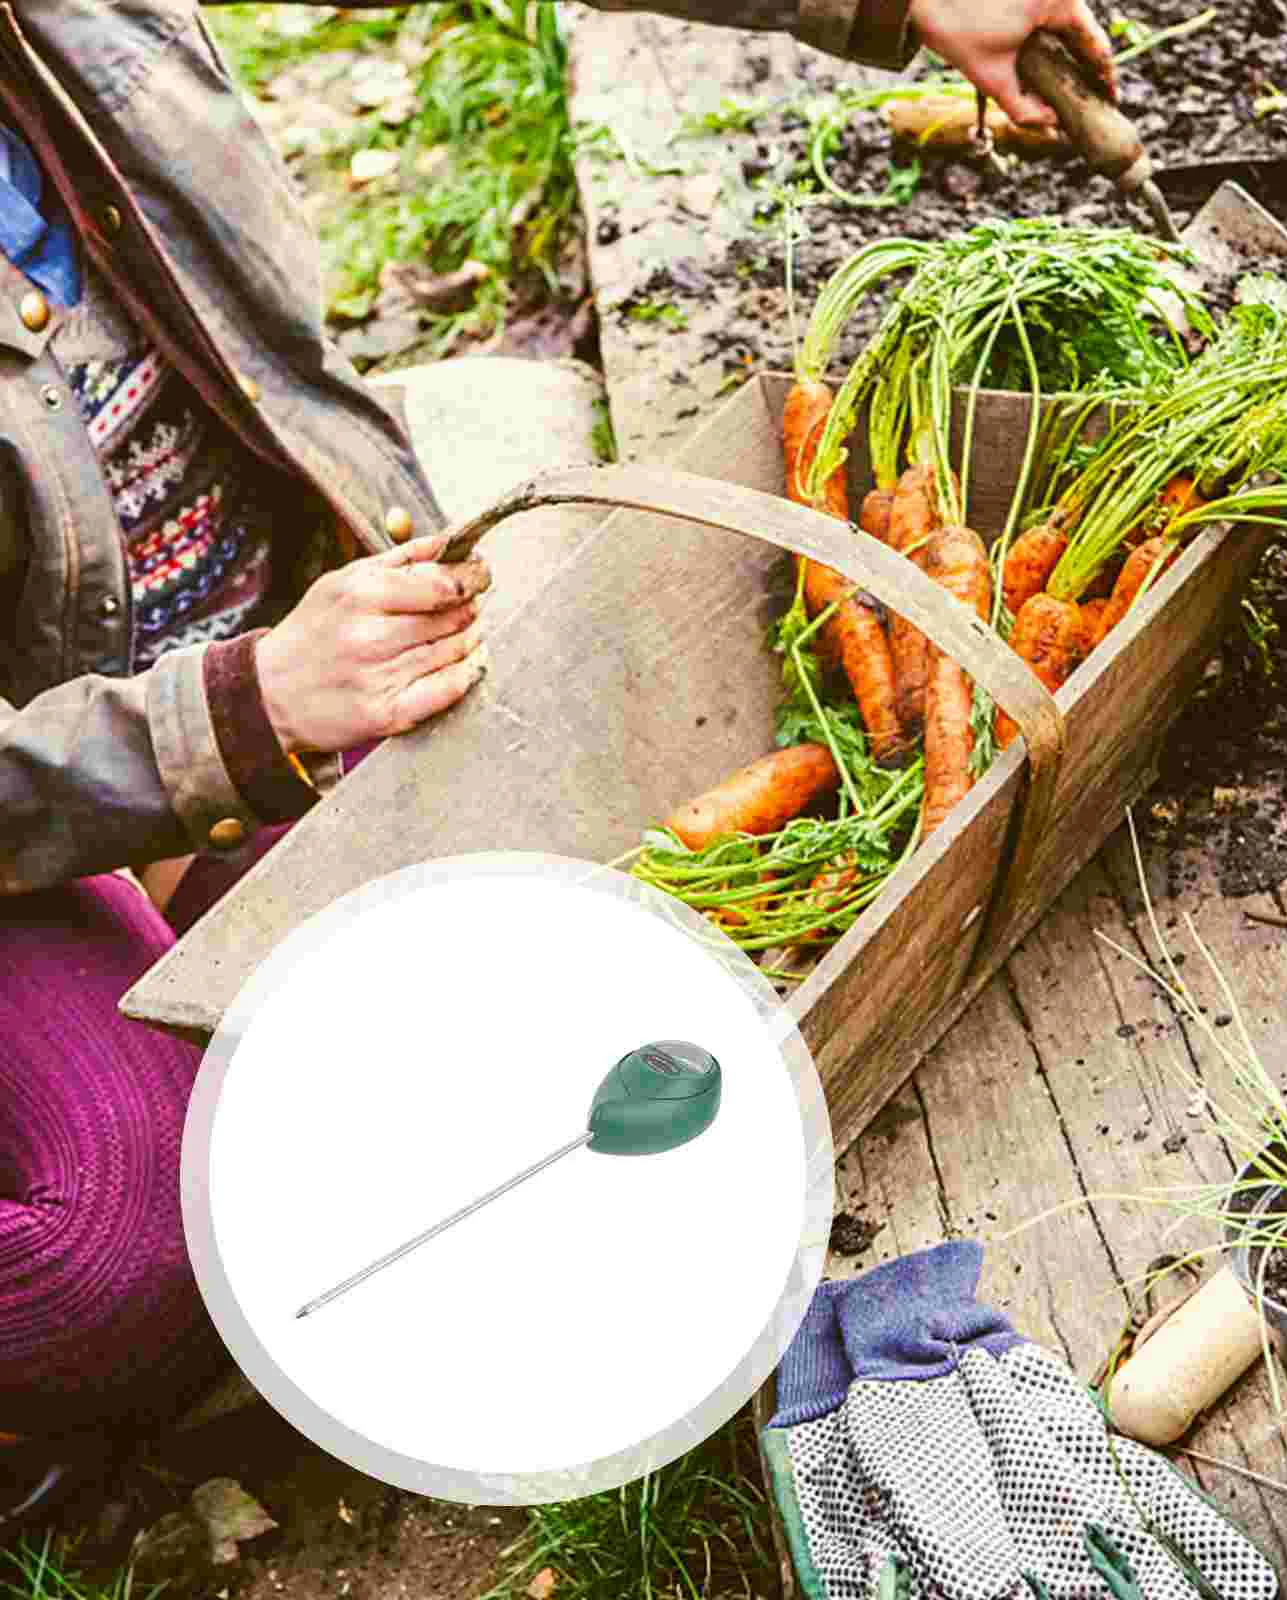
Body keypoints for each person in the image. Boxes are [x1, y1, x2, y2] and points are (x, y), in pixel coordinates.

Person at [0, 0, 1112, 1530]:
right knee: (115, 1250)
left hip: (282, 660)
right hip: (86, 770)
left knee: (518, 1042)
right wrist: (224, 720)